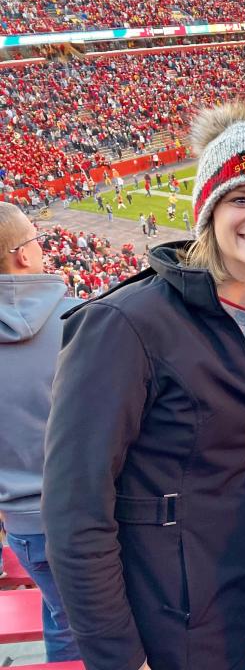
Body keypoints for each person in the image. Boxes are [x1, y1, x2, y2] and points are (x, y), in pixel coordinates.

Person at [42, 103, 245, 670]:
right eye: (242, 198)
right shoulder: (124, 324)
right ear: (207, 210)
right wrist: (120, 659)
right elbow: (74, 509)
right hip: (161, 624)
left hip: (231, 597)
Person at [0, 203, 81, 663]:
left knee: (62, 618)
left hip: (24, 525)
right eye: (36, 240)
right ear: (22, 256)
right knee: (95, 627)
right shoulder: (84, 317)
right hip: (89, 514)